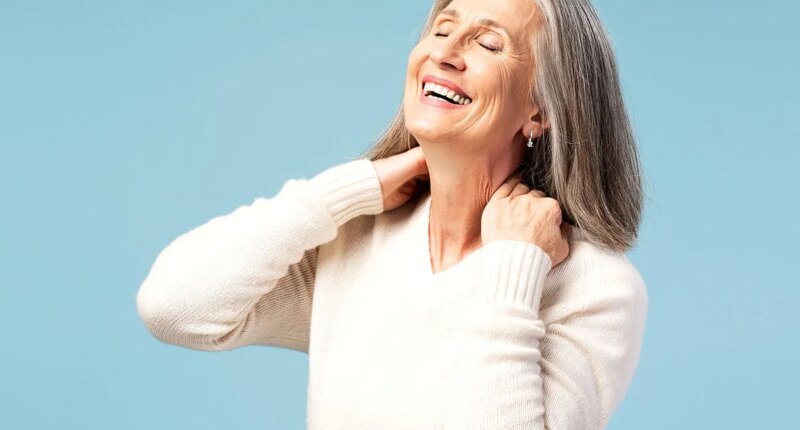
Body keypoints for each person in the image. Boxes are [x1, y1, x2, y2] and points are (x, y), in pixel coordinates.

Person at [135, 0, 648, 428]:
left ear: (540, 108)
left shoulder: (593, 287)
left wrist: (514, 267)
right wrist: (342, 193)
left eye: (489, 43)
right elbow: (175, 308)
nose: (444, 52)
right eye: (443, 28)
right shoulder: (354, 239)